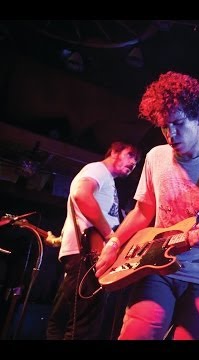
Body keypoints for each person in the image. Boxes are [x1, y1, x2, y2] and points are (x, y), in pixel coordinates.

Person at [95, 71, 199, 340]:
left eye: (178, 123)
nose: (170, 133)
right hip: (156, 267)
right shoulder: (156, 157)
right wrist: (113, 244)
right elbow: (143, 211)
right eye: (164, 126)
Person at [45, 141, 141, 340]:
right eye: (131, 155)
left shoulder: (107, 181)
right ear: (114, 151)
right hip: (87, 257)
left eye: (137, 161)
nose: (134, 163)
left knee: (62, 321)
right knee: (82, 327)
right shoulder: (98, 169)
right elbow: (81, 194)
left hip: (82, 257)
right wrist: (111, 236)